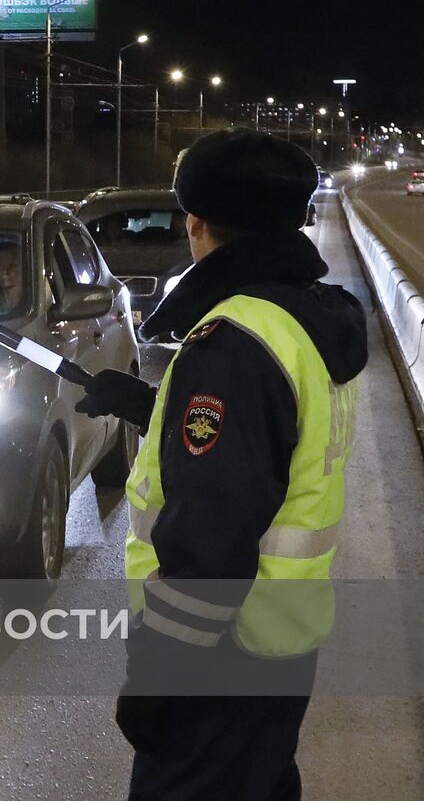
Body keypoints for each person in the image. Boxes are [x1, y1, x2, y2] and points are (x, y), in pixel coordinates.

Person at [74, 128, 367, 800]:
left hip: (218, 657)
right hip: (281, 640)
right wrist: (156, 408)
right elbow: (269, 447)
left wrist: (159, 679)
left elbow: (211, 543)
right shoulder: (309, 317)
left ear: (196, 222)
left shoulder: (232, 342)